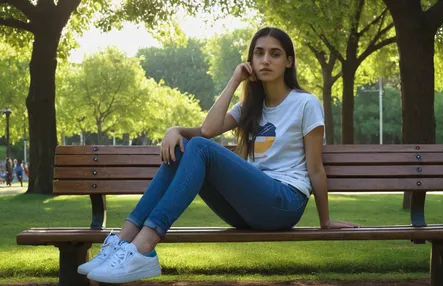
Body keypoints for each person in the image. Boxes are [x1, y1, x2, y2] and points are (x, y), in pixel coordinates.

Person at [79, 27, 359, 283]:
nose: (265, 60)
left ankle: (143, 248)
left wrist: (325, 220)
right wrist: (233, 82)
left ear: (288, 61)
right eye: (258, 53)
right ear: (250, 60)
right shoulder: (250, 106)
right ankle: (123, 241)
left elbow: (315, 167)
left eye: (275, 54)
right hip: (248, 209)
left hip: (284, 202)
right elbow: (209, 128)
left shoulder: (305, 103)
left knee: (198, 146)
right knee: (184, 148)